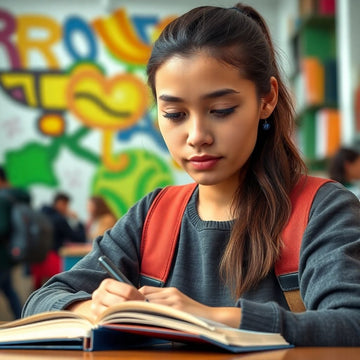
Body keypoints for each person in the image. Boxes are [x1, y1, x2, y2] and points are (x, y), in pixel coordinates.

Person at [23, 3, 360, 346]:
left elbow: (350, 324)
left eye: (221, 110)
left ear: (267, 99)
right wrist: (91, 306)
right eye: (174, 114)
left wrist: (212, 319)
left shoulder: (322, 208)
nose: (197, 135)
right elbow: (42, 299)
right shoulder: (154, 215)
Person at [30, 192, 87, 289]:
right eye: (66, 205)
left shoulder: (40, 214)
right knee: (60, 286)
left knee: (38, 288)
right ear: (60, 203)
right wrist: (78, 221)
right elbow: (78, 238)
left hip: (37, 258)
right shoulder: (59, 219)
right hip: (54, 257)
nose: (67, 208)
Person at [0, 166, 23, 319]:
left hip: (2, 254)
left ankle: (22, 319)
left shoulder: (2, 198)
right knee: (8, 288)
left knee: (8, 289)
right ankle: (23, 319)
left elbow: (2, 228)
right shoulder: (17, 196)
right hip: (11, 252)